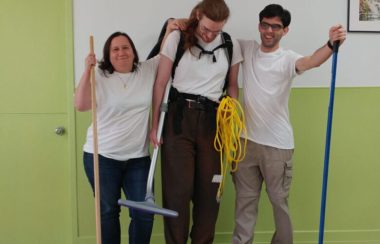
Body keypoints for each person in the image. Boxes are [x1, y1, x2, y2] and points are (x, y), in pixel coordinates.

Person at [232, 4, 346, 244]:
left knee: (279, 204)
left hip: (277, 146)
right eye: (265, 24)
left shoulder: (288, 59)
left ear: (285, 30)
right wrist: (177, 24)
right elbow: (214, 32)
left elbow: (312, 61)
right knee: (244, 203)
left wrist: (330, 44)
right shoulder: (246, 48)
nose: (269, 30)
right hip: (246, 144)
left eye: (275, 26)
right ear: (259, 25)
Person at [74, 19, 184, 244]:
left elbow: (164, 51)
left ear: (133, 52)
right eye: (115, 49)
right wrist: (86, 70)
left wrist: (171, 28)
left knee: (144, 213)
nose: (121, 52)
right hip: (101, 157)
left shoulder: (146, 69)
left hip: (137, 159)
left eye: (125, 47)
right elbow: (81, 105)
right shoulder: (99, 76)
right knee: (107, 212)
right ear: (108, 54)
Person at [149, 0, 243, 243]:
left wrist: (233, 122)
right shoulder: (177, 39)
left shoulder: (230, 44)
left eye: (216, 30)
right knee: (177, 193)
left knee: (209, 194)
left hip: (213, 122)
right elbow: (160, 83)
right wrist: (154, 124)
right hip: (178, 120)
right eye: (206, 29)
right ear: (198, 16)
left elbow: (232, 86)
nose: (210, 35)